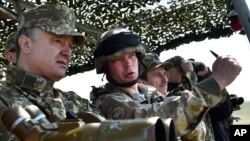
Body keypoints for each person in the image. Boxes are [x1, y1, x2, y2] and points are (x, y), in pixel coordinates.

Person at [90, 28, 242, 140]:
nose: (128, 64)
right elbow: (155, 123)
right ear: (105, 66)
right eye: (118, 59)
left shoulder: (151, 93)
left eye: (131, 56)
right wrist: (216, 81)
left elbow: (197, 125)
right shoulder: (107, 101)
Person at [0, 4, 101, 141]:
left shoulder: (77, 103)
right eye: (58, 41)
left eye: (70, 46)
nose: (67, 53)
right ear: (26, 45)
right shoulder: (3, 99)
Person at [165, 57, 234, 141]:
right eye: (179, 69)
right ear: (166, 72)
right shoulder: (166, 94)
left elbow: (224, 110)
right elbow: (190, 100)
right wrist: (189, 73)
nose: (182, 71)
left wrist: (207, 75)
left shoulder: (193, 84)